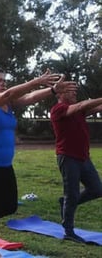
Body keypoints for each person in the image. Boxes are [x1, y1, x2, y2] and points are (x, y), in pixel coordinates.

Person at [0, 66, 76, 258]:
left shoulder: (8, 103)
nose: (3, 83)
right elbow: (10, 93)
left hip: (4, 165)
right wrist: (35, 81)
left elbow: (29, 98)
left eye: (4, 80)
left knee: (10, 206)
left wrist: (52, 90)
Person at [50, 87, 102, 243]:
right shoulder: (58, 109)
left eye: (75, 91)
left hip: (83, 158)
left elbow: (96, 107)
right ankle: (68, 231)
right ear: (59, 94)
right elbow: (81, 105)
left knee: (97, 189)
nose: (75, 93)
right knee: (71, 194)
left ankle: (64, 203)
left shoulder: (78, 111)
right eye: (70, 91)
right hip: (68, 157)